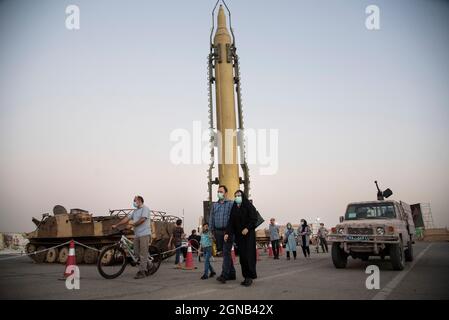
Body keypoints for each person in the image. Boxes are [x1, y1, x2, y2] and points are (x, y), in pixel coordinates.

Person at [112, 195, 151, 279]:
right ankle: (150, 265)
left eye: (134, 200)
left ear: (139, 200)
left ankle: (142, 272)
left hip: (144, 234)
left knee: (143, 254)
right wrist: (117, 225)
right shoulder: (135, 211)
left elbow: (143, 219)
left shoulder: (145, 209)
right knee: (136, 253)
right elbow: (127, 218)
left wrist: (132, 224)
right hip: (137, 235)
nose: (133, 202)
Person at [225, 190, 258, 287]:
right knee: (242, 257)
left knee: (248, 256)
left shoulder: (248, 205)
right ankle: (245, 276)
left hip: (248, 235)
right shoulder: (234, 208)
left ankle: (250, 277)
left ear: (242, 196)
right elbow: (231, 222)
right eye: (235, 196)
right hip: (239, 237)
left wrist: (247, 228)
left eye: (239, 195)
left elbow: (254, 219)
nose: (237, 197)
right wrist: (227, 233)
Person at [208, 185, 236, 283]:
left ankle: (224, 275)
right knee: (226, 253)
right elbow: (211, 218)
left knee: (226, 252)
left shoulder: (231, 204)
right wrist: (211, 232)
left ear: (226, 193)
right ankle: (232, 273)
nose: (219, 193)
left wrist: (229, 232)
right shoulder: (215, 205)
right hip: (218, 232)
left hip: (227, 232)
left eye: (221, 191)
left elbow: (233, 219)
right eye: (218, 191)